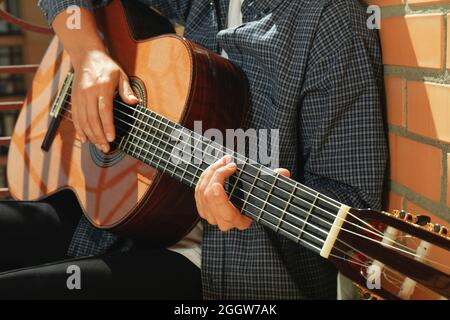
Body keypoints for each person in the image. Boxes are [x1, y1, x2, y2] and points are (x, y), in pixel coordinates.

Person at [0, 0, 387, 299]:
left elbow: (352, 206)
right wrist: (88, 57)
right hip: (118, 212)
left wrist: (244, 202)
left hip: (219, 270)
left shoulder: (331, 21)